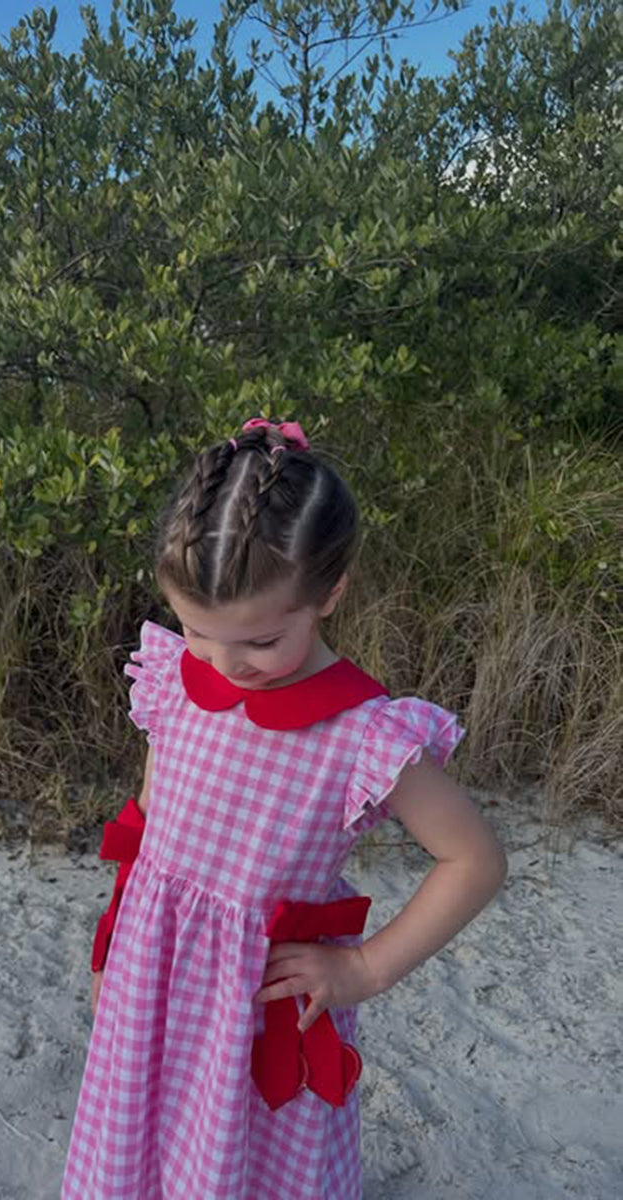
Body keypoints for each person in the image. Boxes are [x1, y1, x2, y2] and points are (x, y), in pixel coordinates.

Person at [62, 417, 507, 1200]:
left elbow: (473, 860)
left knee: (242, 1163)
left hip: (258, 1004)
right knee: (140, 1142)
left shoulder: (365, 734)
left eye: (261, 644)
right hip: (152, 976)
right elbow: (148, 826)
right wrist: (113, 941)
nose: (227, 664)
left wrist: (365, 967)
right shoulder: (175, 681)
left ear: (330, 593)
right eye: (198, 631)